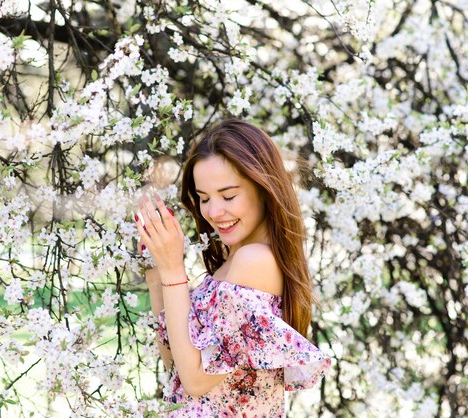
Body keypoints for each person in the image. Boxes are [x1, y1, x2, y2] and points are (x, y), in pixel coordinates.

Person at [134, 119, 331, 417]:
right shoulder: (236, 260)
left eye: (228, 196)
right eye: (203, 198)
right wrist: (157, 272)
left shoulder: (256, 261)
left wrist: (175, 272)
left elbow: (196, 381)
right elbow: (176, 365)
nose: (214, 212)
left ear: (264, 187)